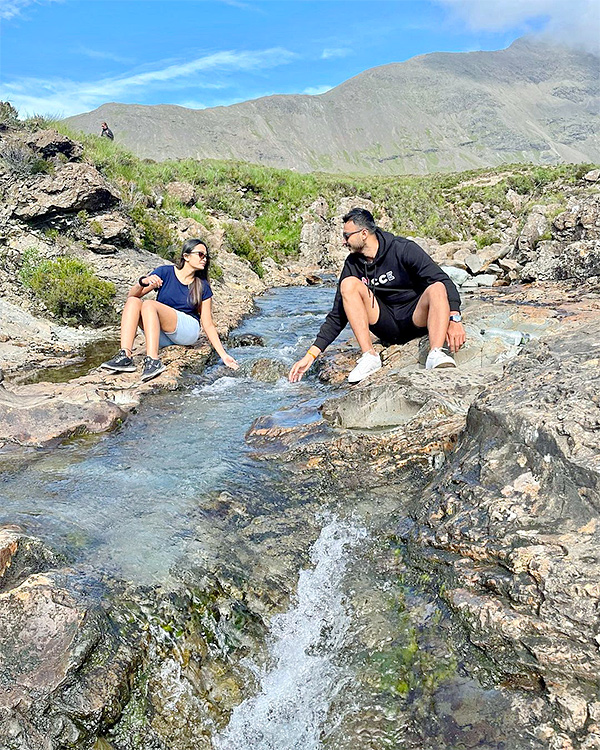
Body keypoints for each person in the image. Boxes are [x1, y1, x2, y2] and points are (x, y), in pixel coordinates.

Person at [289, 207, 466, 384]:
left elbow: (444, 281)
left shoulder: (403, 249)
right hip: (385, 324)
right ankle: (369, 357)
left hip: (415, 318)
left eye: (347, 236)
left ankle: (435, 353)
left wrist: (454, 318)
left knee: (437, 287)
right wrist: (311, 355)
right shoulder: (352, 264)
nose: (344, 242)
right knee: (348, 284)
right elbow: (338, 315)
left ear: (364, 233)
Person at [102, 238, 239, 381]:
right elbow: (132, 296)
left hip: (187, 330)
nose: (204, 259)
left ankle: (153, 360)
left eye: (206, 256)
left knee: (149, 304)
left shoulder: (202, 285)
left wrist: (224, 355)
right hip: (162, 334)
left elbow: (208, 324)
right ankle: (125, 355)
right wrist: (143, 282)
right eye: (200, 254)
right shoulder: (165, 272)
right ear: (186, 256)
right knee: (133, 301)